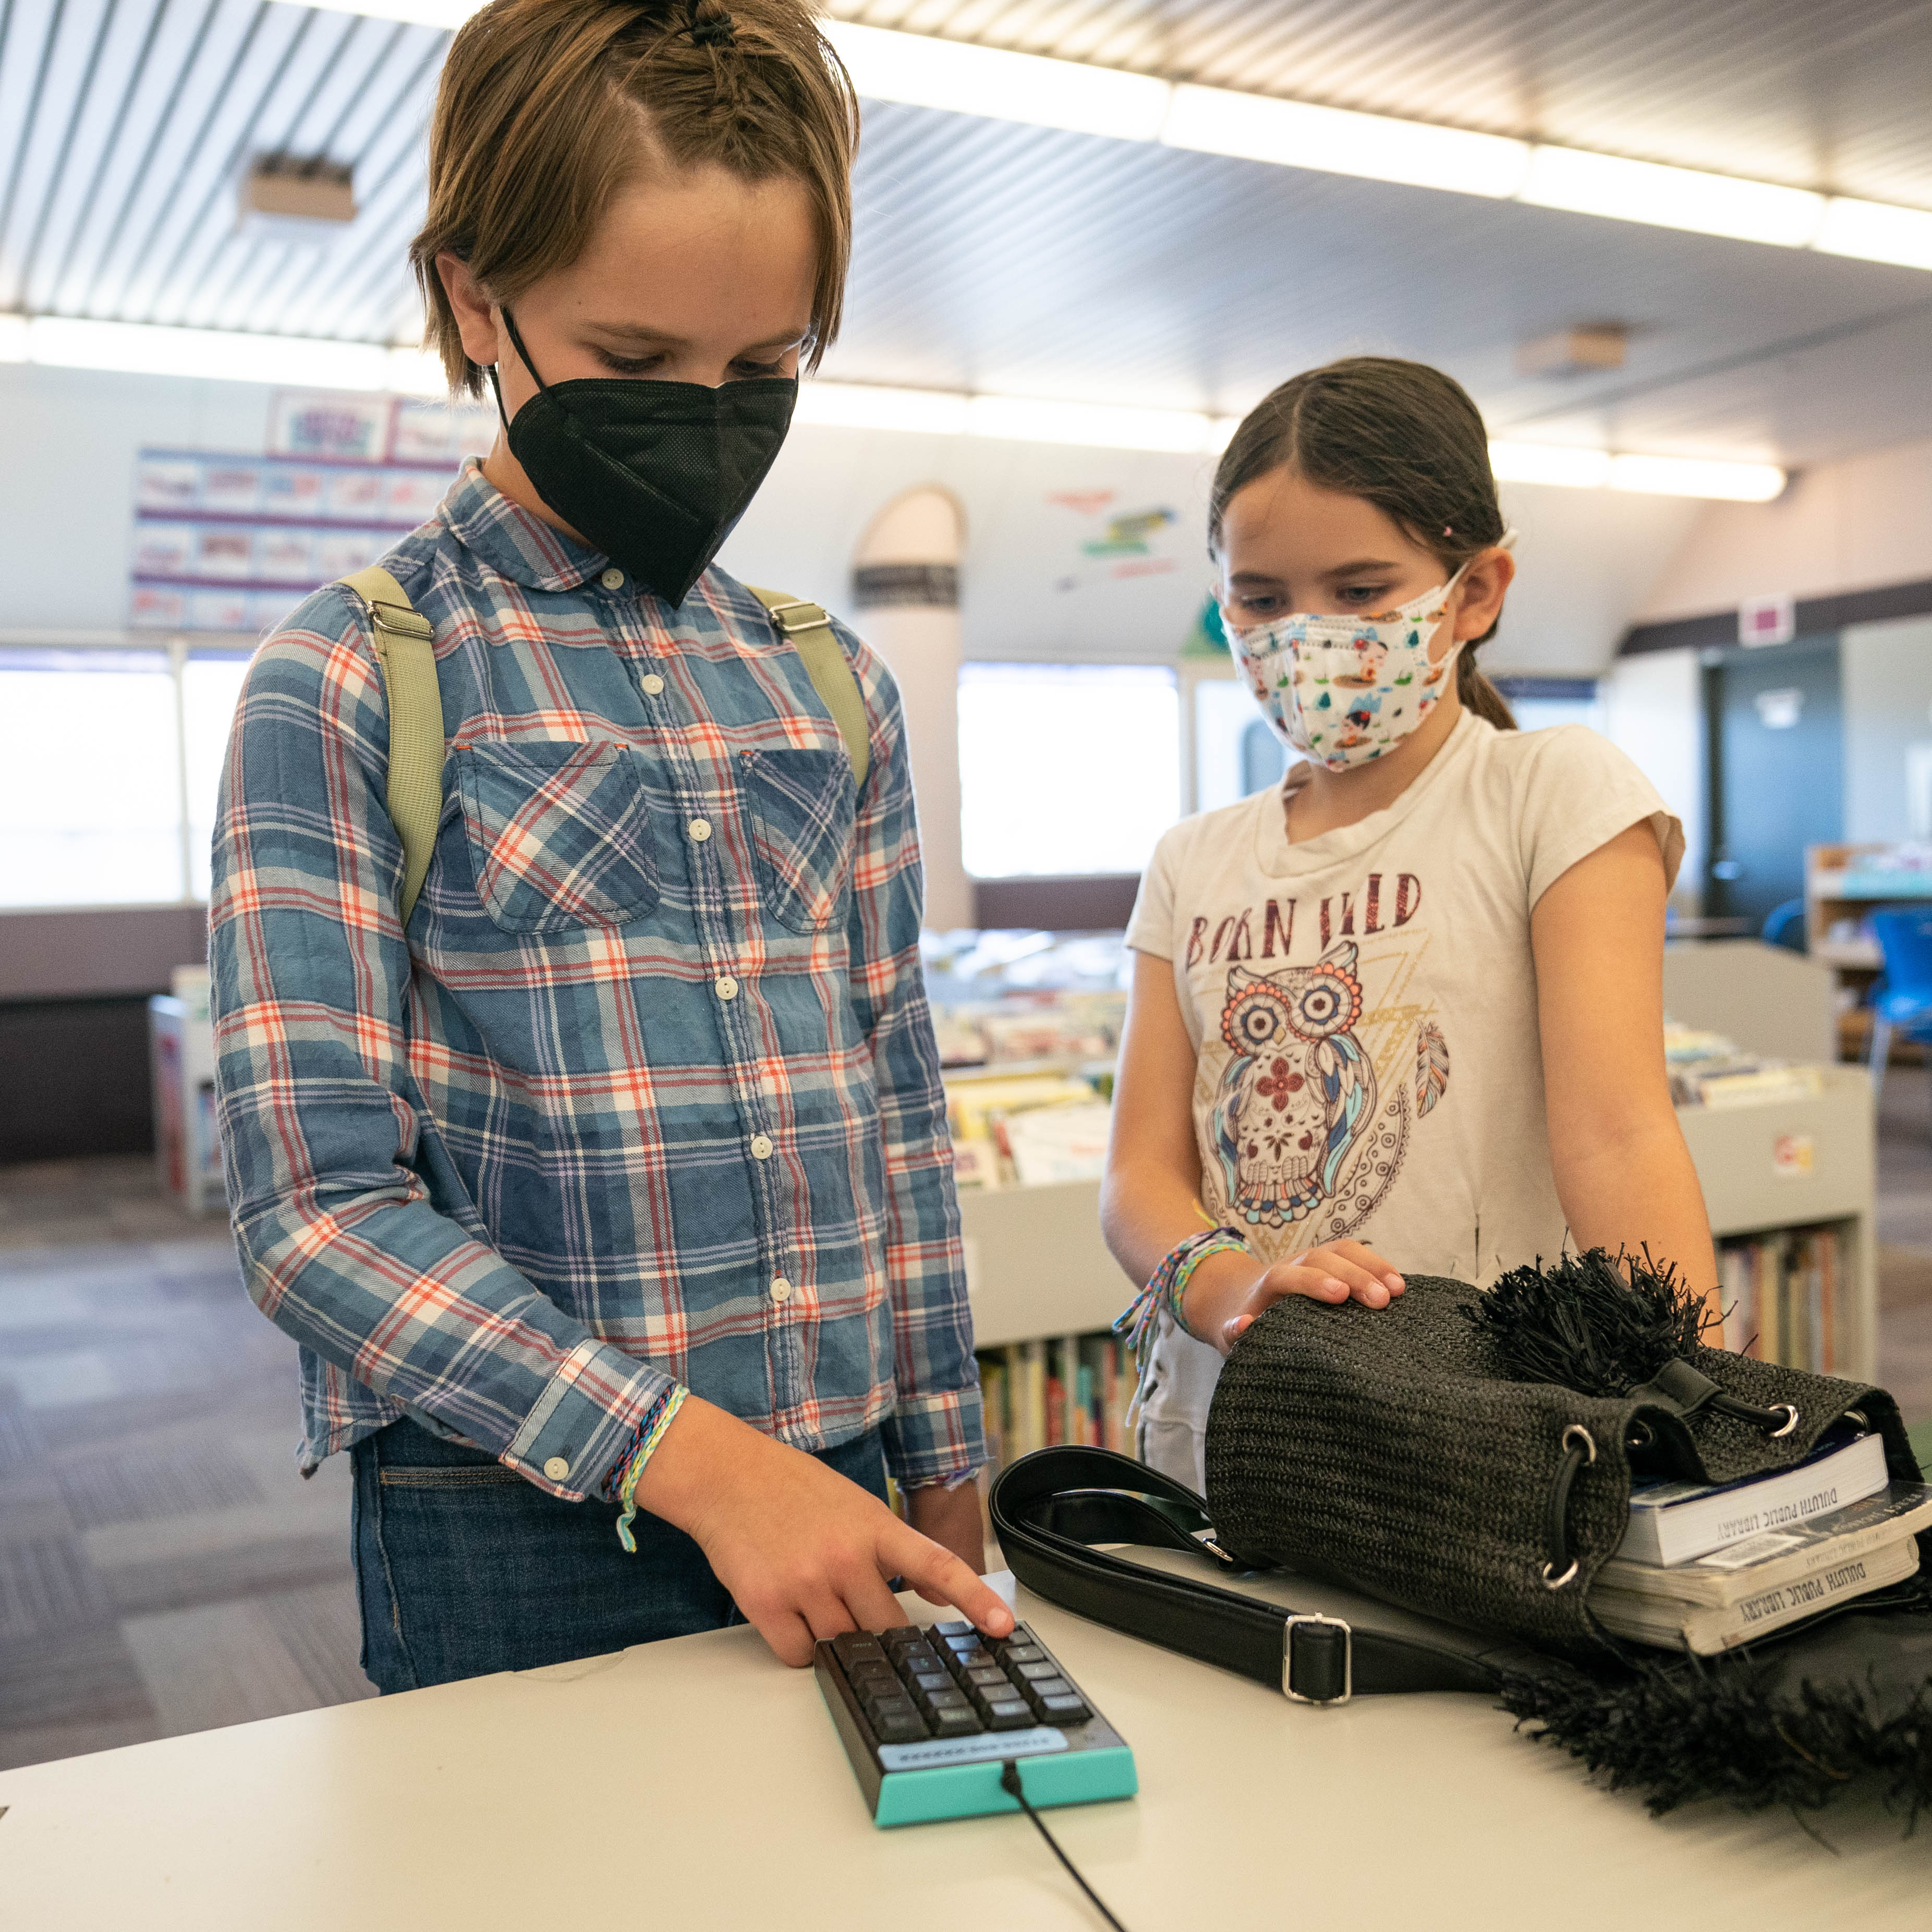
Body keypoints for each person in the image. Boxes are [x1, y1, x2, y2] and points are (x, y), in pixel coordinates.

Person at [208, 0, 1010, 1687]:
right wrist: (699, 1462)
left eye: (761, 369)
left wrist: (945, 1452)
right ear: (472, 298)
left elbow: (896, 1110)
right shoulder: (355, 674)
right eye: (637, 365)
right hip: (522, 1520)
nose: (702, 417)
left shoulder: (825, 681)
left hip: (859, 1476)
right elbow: (315, 1206)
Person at [1104, 356, 1716, 1492]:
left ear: (1473, 592)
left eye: (1359, 589)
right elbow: (1138, 1174)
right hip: (1233, 1431)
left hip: (1480, 1442)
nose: (1306, 634)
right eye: (1261, 598)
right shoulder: (1191, 862)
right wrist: (1228, 1284)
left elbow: (1617, 1136)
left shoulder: (1554, 794)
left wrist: (1700, 1425)